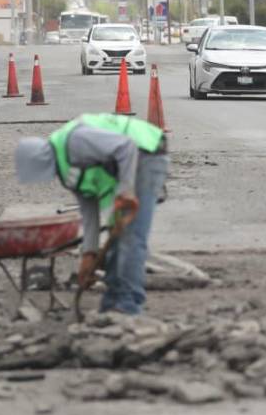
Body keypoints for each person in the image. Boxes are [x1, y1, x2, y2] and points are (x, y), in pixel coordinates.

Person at [15, 113, 168, 315]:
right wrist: (89, 255)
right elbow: (90, 216)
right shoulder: (66, 169)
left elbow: (126, 147)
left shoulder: (74, 142)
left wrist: (126, 190)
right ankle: (113, 301)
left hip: (146, 153)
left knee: (131, 237)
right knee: (117, 236)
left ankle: (129, 305)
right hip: (126, 167)